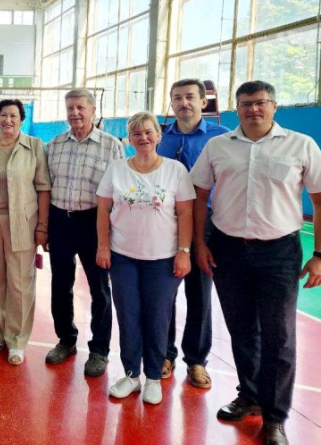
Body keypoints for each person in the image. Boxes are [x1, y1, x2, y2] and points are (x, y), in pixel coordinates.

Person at [191, 81, 321, 445]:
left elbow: (320, 200)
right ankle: (249, 395)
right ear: (237, 108)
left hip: (280, 253)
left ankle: (275, 417)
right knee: (242, 330)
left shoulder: (301, 145)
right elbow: (199, 195)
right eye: (246, 104)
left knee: (280, 337)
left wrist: (319, 256)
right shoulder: (218, 146)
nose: (253, 109)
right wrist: (200, 243)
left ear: (274, 106)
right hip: (228, 250)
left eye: (261, 102)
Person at [96, 111, 195, 405]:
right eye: (137, 134)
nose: (143, 138)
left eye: (149, 132)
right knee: (128, 316)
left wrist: (184, 252)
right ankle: (131, 375)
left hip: (163, 259)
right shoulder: (116, 169)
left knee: (157, 317)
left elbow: (186, 213)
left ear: (158, 136)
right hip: (123, 257)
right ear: (129, 139)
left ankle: (153, 377)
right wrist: (103, 246)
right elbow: (103, 210)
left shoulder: (175, 170)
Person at [45, 88, 124, 376]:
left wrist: (109, 235)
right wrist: (44, 226)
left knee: (99, 288)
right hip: (60, 221)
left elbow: (118, 192)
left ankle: (99, 350)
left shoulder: (111, 146)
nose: (75, 113)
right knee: (60, 285)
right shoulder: (54, 145)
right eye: (70, 108)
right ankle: (66, 340)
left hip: (94, 222)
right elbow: (45, 187)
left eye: (80, 107)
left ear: (92, 110)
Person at [156, 79, 229, 388]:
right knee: (164, 292)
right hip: (165, 222)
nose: (183, 102)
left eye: (189, 97)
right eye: (177, 98)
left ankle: (196, 360)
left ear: (203, 102)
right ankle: (165, 354)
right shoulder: (160, 137)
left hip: (206, 223)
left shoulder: (222, 137)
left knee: (199, 293)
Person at [0, 99, 50, 365]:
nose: (8, 120)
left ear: (21, 120)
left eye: (14, 116)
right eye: (3, 115)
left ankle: (17, 341)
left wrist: (42, 226)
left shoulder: (34, 146)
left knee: (20, 283)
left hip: (23, 224)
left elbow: (43, 188)